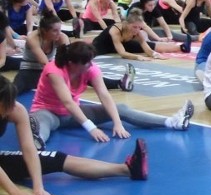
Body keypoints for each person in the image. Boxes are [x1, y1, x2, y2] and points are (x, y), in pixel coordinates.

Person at [0, 79, 148, 195]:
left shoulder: (16, 109)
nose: (10, 108)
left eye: (11, 102)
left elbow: (29, 148)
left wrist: (38, 186)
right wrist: (14, 192)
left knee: (54, 158)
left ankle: (128, 169)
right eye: (6, 104)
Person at [29, 42, 193, 146]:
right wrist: (91, 128)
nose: (90, 65)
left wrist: (117, 122)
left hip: (72, 114)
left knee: (120, 108)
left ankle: (172, 122)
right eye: (86, 63)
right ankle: (38, 142)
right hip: (48, 111)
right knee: (42, 123)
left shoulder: (90, 68)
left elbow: (104, 95)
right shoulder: (54, 69)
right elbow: (67, 102)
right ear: (72, 63)